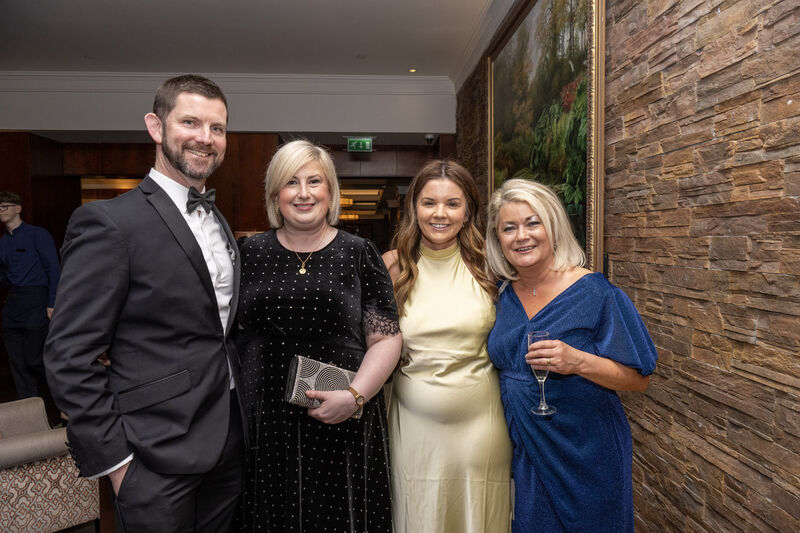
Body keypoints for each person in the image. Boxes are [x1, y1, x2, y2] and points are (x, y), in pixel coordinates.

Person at [44, 74, 244, 532]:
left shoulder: (216, 218)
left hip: (227, 443)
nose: (205, 138)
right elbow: (68, 356)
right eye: (190, 122)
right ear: (156, 127)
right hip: (152, 453)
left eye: (217, 128)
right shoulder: (108, 222)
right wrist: (116, 462)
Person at [235, 139, 401, 532]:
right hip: (264, 424)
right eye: (292, 182)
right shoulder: (248, 252)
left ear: (330, 192)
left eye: (315, 181)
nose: (304, 193)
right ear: (276, 193)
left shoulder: (360, 253)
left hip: (341, 417)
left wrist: (355, 395)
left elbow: (387, 338)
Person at [485, 178, 658, 532]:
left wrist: (578, 361)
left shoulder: (595, 292)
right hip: (527, 449)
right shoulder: (500, 295)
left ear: (553, 227)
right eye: (509, 228)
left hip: (586, 450)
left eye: (533, 223)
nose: (522, 236)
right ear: (498, 239)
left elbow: (639, 379)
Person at [382, 160, 512, 532]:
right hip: (412, 425)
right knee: (417, 516)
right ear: (414, 207)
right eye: (429, 202)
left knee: (479, 517)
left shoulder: (491, 266)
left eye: (453, 203)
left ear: (468, 209)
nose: (440, 213)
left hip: (480, 428)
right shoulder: (391, 267)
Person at [0, 192, 60, 399]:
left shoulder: (38, 235)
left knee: (34, 359)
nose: (1, 210)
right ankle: (29, 415)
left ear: (18, 208)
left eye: (5, 206)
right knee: (17, 363)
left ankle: (68, 396)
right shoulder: (2, 243)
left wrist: (52, 302)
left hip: (37, 298)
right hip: (13, 302)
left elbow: (54, 268)